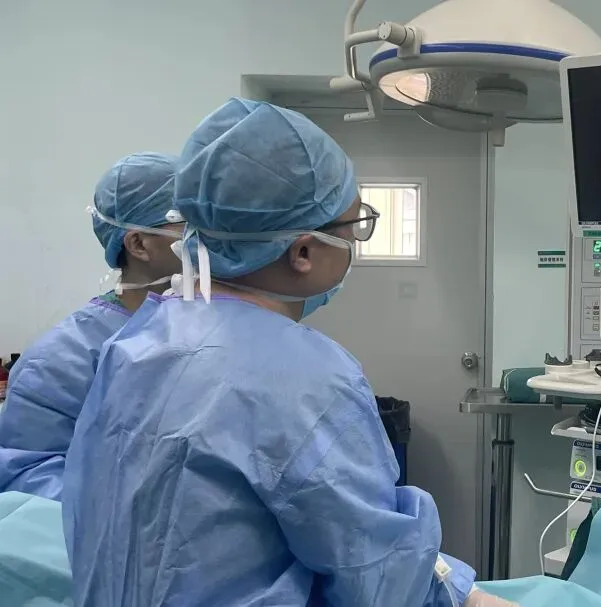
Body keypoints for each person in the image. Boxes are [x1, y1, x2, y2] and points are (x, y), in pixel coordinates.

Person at [62, 98, 514, 607]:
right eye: (354, 227)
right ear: (302, 251)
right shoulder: (305, 380)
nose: (355, 243)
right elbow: (374, 575)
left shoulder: (134, 342)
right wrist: (458, 593)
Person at [0, 152, 182, 499]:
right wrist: (135, 516)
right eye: (191, 224)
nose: (212, 238)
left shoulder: (213, 328)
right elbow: (27, 477)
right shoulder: (60, 361)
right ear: (138, 244)